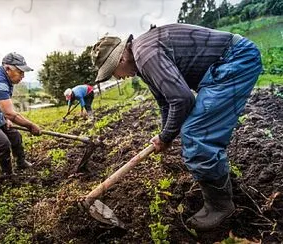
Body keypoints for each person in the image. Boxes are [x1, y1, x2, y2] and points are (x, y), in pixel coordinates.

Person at [91, 24, 262, 231]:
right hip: (225, 63)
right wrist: (165, 136)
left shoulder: (146, 55)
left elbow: (182, 99)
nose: (117, 77)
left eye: (113, 72)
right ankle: (221, 187)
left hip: (234, 60)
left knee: (197, 133)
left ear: (120, 59)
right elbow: (166, 102)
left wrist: (166, 136)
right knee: (195, 130)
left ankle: (220, 205)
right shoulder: (142, 58)